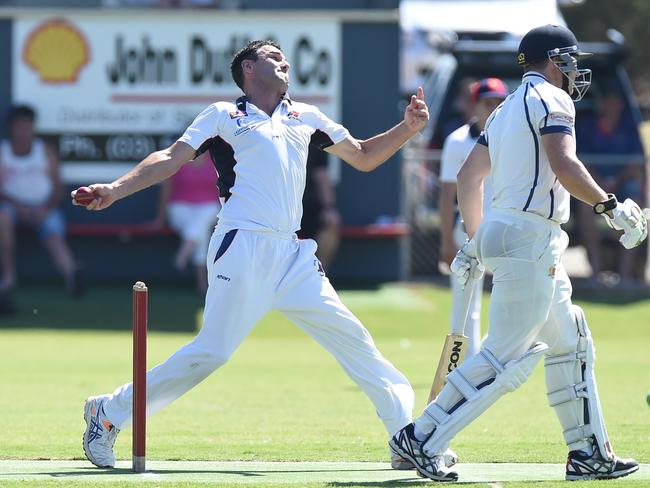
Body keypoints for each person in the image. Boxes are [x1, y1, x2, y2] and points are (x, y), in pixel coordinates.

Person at [75, 39, 452, 471]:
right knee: (212, 352)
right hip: (242, 245)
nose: (284, 61)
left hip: (292, 253)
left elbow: (364, 156)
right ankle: (107, 413)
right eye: (273, 56)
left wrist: (407, 128)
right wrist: (116, 189)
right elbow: (169, 158)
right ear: (249, 68)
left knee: (355, 341)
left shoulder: (305, 115)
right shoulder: (223, 115)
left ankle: (406, 436)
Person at [389, 25, 645, 482]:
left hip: (512, 232)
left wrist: (476, 239)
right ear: (553, 59)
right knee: (505, 357)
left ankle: (587, 452)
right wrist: (608, 205)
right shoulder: (553, 99)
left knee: (571, 341)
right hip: (531, 238)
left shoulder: (505, 108)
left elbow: (470, 177)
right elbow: (564, 163)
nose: (575, 70)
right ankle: (421, 437)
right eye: (570, 59)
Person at [439, 77, 508, 357]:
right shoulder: (456, 141)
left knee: (514, 298)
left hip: (506, 229)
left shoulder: (514, 139)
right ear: (474, 105)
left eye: (499, 102)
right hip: (468, 230)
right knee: (467, 305)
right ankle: (467, 367)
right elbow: (446, 195)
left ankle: (499, 359)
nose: (493, 108)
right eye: (488, 102)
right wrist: (446, 242)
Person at [0, 105, 80, 300]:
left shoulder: (45, 150)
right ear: (12, 127)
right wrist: (19, 205)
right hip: (11, 208)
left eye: (27, 126)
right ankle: (8, 278)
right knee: (2, 219)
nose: (23, 131)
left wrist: (44, 208)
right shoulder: (2, 152)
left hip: (44, 208)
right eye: (19, 126)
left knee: (52, 231)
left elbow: (58, 187)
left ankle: (73, 275)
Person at [575, 86, 646, 287]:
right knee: (585, 209)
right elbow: (580, 161)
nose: (612, 104)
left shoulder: (629, 127)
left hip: (623, 186)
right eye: (608, 99)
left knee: (636, 211)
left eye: (615, 100)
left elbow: (636, 161)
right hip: (595, 186)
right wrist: (600, 182)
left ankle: (625, 277)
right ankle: (596, 274)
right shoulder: (587, 127)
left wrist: (616, 180)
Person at [154, 151, 220, 295]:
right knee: (200, 232)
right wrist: (160, 219)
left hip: (208, 208)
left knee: (205, 216)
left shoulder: (215, 158)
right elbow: (167, 189)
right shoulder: (177, 158)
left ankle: (185, 252)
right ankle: (202, 284)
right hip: (180, 208)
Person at [299, 144, 340, 271]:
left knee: (331, 224)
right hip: (275, 207)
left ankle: (318, 274)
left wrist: (328, 208)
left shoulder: (314, 136)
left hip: (307, 204)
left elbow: (321, 174)